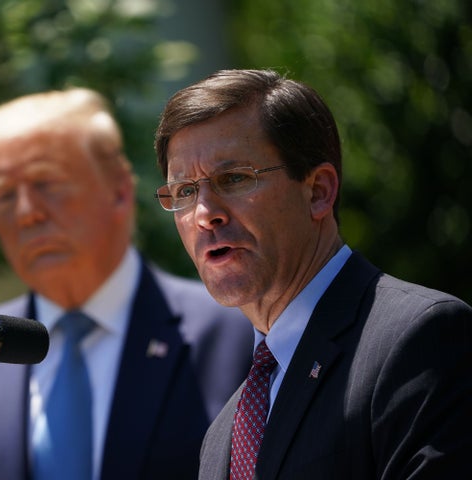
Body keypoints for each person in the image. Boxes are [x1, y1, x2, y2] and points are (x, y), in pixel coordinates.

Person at [0, 87, 254, 480]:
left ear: (119, 189)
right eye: (4, 195)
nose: (28, 212)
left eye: (47, 183)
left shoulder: (239, 336)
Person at [153, 69, 472, 479]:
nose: (204, 214)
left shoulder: (420, 338)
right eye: (184, 192)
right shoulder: (224, 434)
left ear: (319, 190)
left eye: (233, 179)